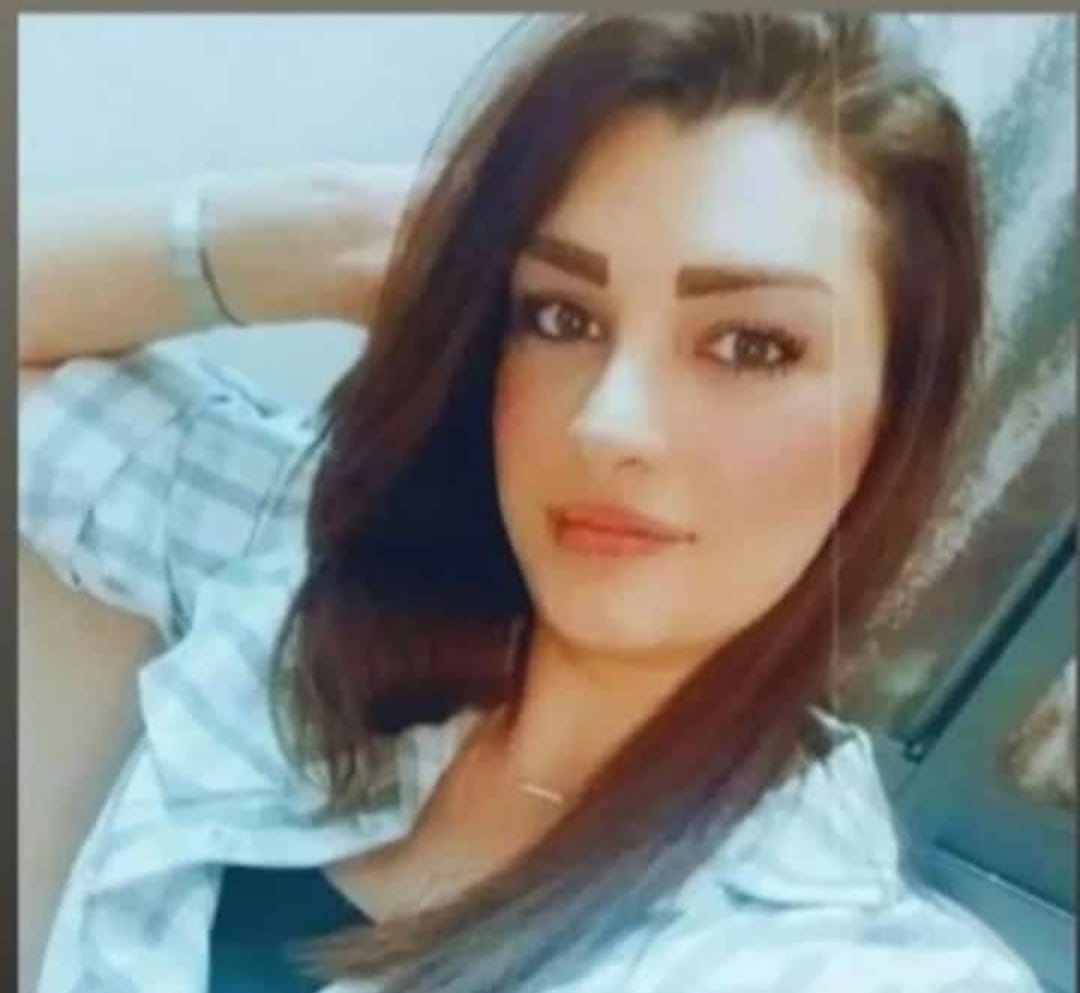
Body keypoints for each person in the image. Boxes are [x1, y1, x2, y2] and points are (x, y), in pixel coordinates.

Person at [18, 12, 1046, 993]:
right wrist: (338, 230)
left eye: (750, 345)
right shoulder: (307, 562)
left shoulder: (860, 966)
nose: (609, 423)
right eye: (561, 315)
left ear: (892, 417)